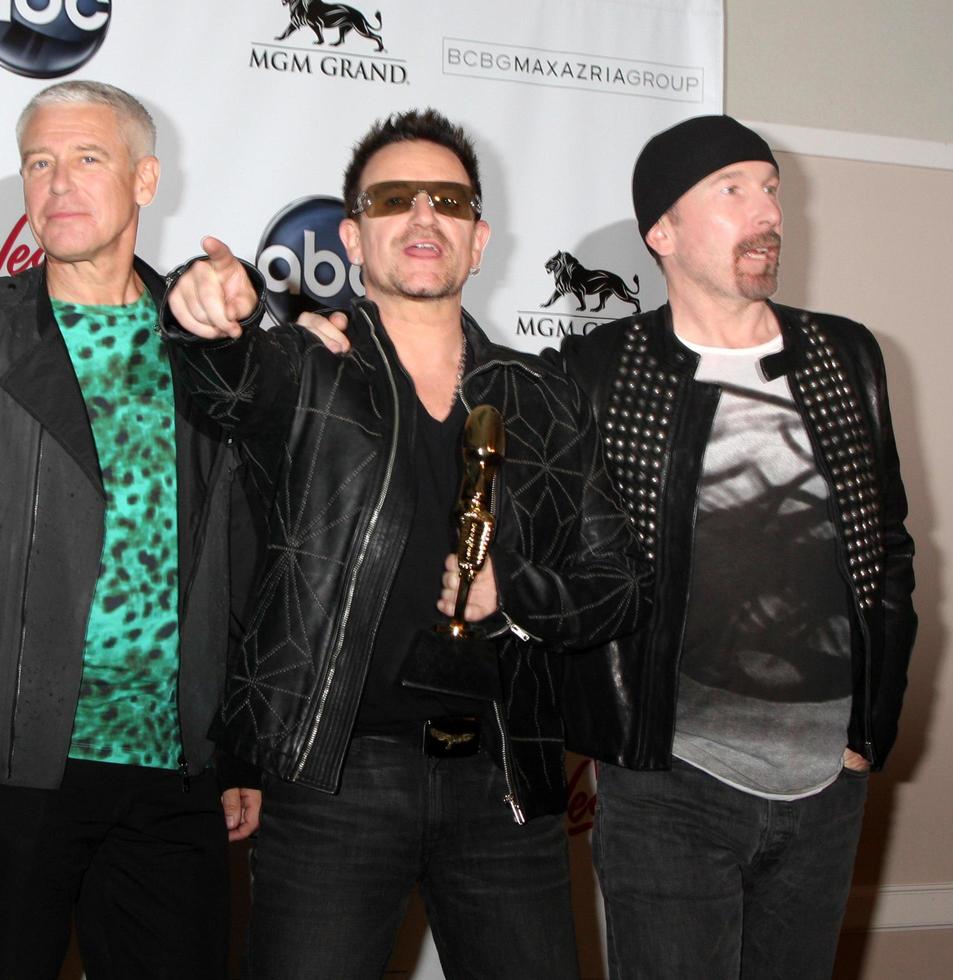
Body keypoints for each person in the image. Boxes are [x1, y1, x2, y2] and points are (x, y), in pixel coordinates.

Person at [164, 108, 649, 980]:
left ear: (478, 240)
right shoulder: (303, 366)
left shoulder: (543, 392)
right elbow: (219, 379)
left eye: (448, 203)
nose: (423, 218)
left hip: (508, 779)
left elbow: (614, 581)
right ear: (352, 236)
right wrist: (195, 302)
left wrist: (518, 595)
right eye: (395, 199)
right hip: (335, 776)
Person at [0, 80, 258, 980]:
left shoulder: (205, 342)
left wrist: (240, 744)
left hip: (174, 767)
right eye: (38, 163)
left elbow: (244, 559)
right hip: (10, 772)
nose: (57, 184)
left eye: (88, 158)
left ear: (146, 179)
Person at [558, 114, 918, 979]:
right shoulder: (602, 368)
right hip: (671, 781)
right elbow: (573, 562)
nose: (767, 213)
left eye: (770, 189)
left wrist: (870, 729)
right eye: (732, 190)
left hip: (828, 781)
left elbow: (891, 547)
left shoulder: (845, 354)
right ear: (663, 232)